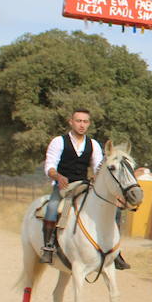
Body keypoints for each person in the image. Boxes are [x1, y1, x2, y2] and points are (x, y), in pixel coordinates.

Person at [41, 109, 104, 264]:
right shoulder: (59, 141)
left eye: (85, 121)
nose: (82, 125)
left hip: (83, 186)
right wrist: (58, 176)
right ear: (71, 122)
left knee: (108, 207)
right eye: (78, 121)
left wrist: (98, 176)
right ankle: (48, 246)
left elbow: (97, 167)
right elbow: (49, 166)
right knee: (52, 207)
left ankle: (111, 250)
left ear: (89, 124)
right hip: (63, 187)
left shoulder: (93, 144)